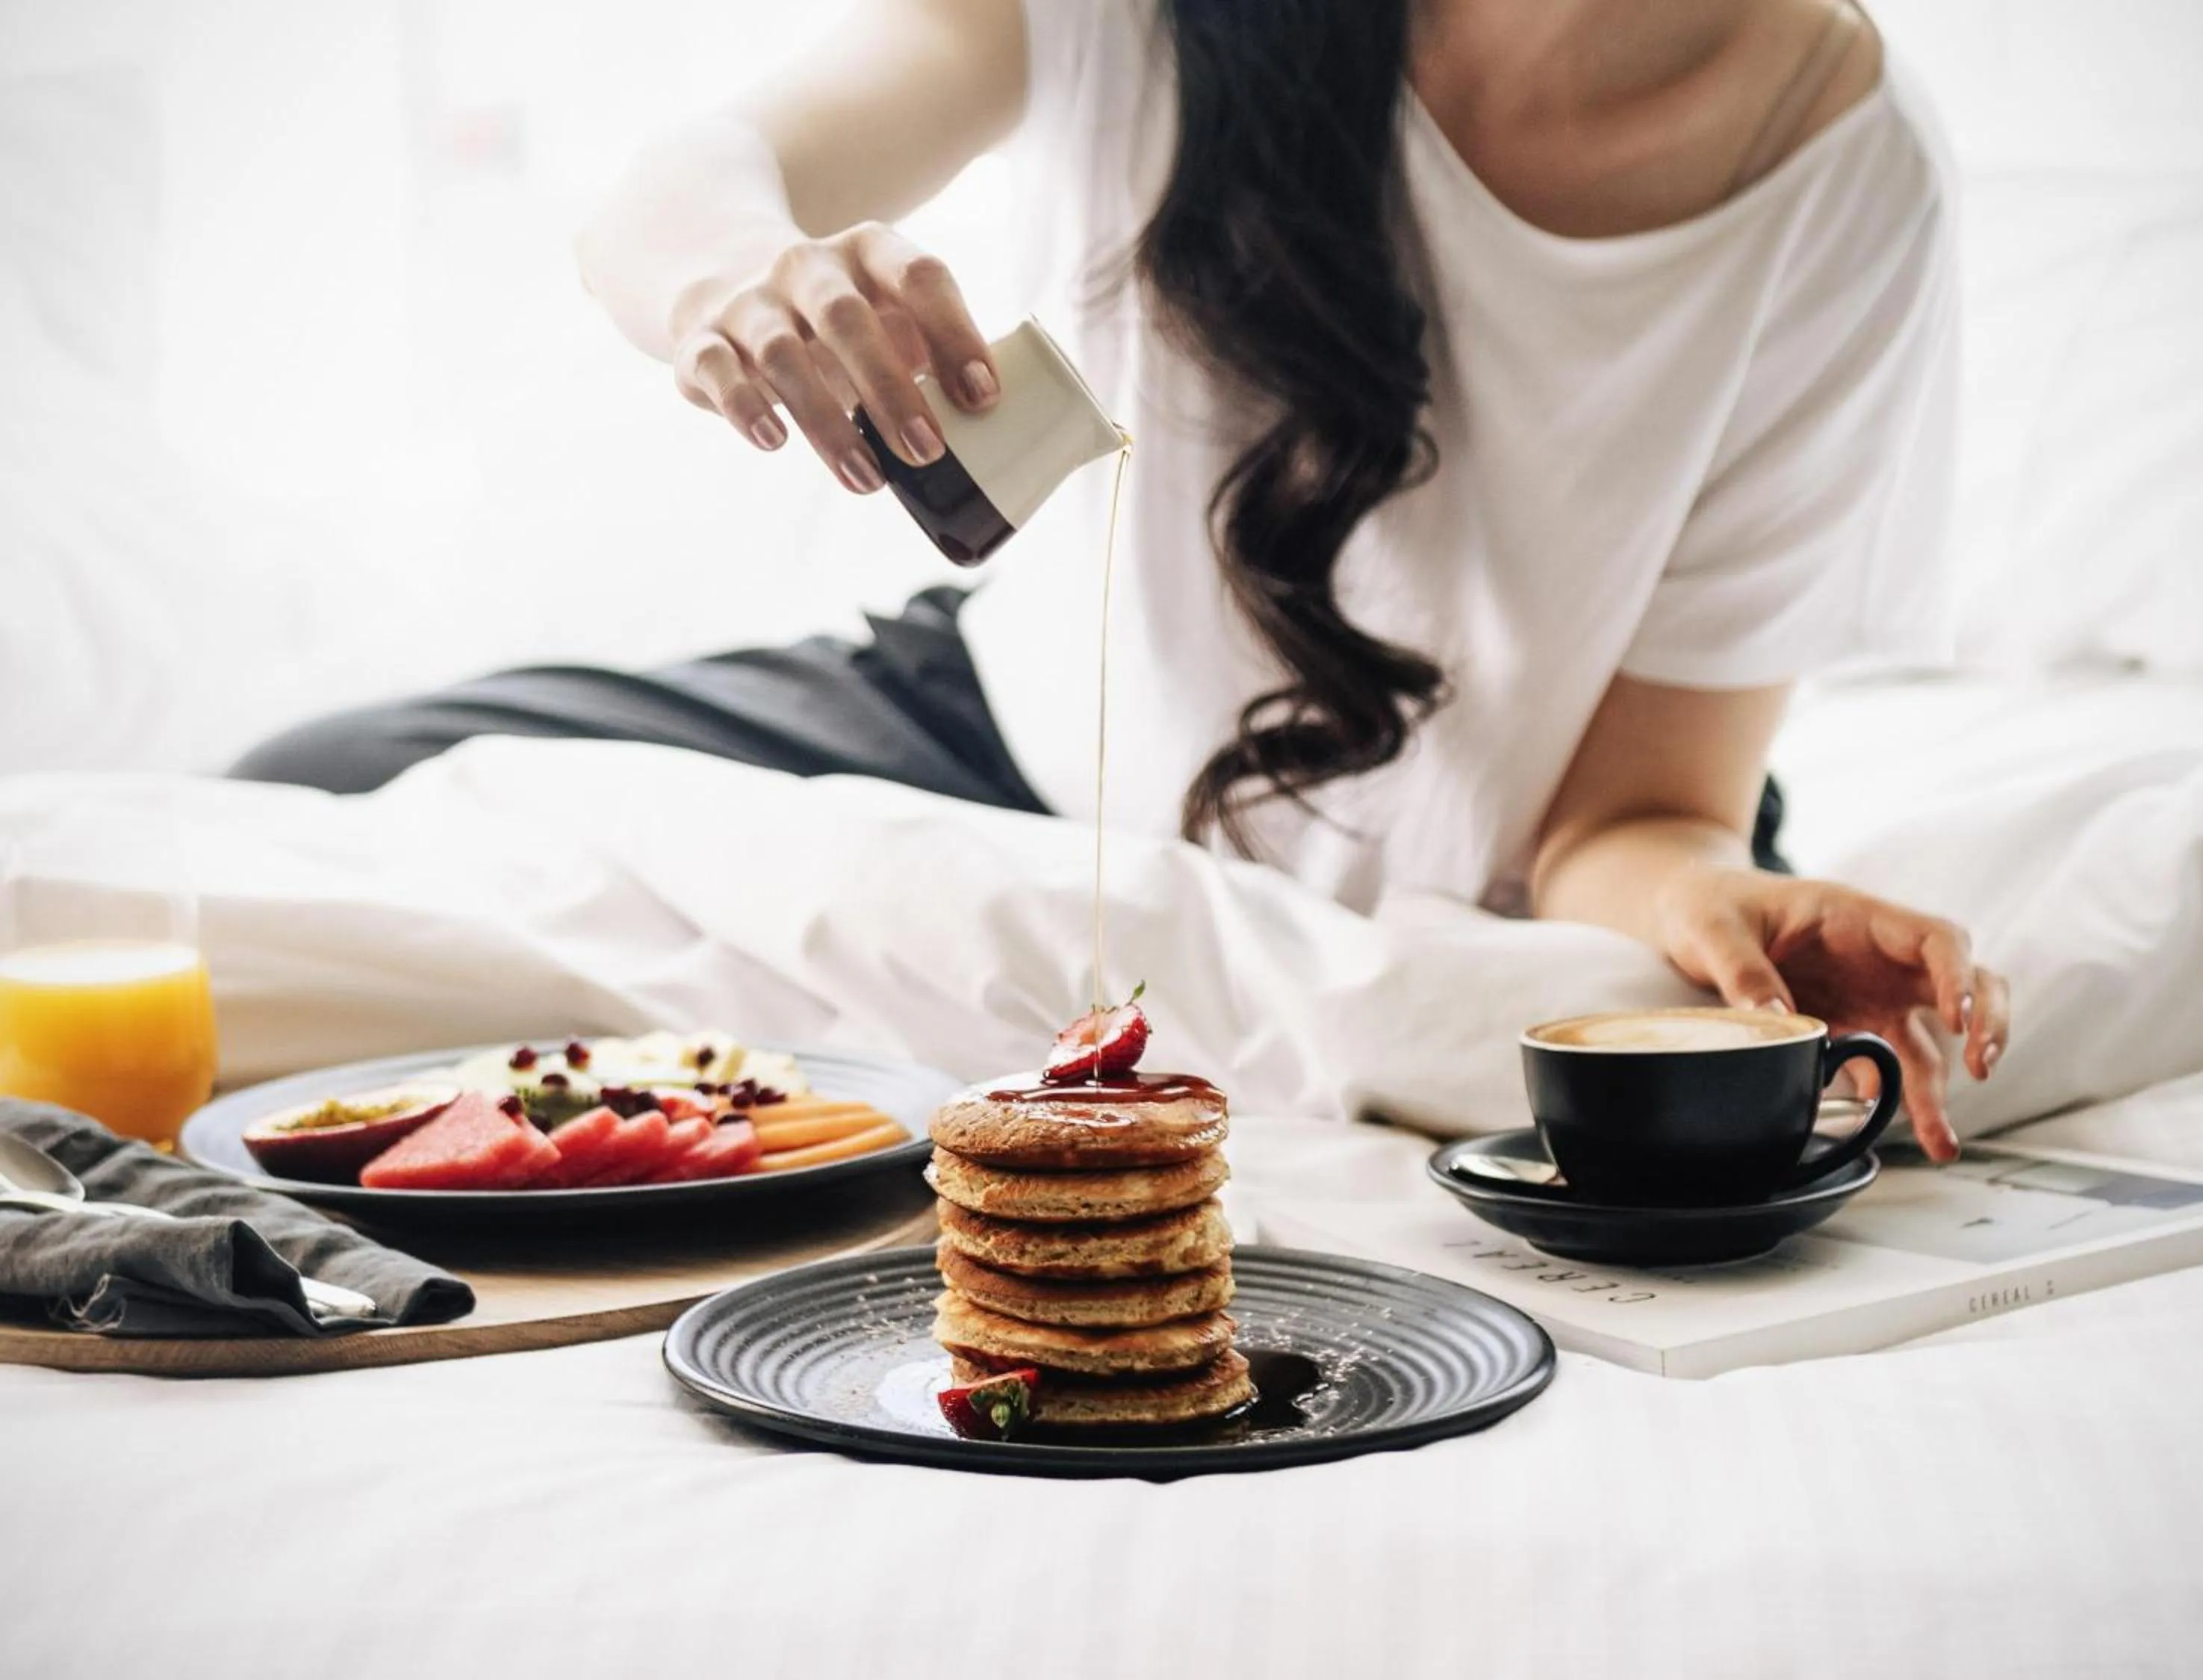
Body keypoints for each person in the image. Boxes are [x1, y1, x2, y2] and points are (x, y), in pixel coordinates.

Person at [232, 0, 2009, 1157]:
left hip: (1485, 874)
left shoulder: (1851, 180)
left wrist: (1711, 897)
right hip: (995, 730)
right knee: (312, 799)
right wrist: (733, 281)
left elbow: (1626, 822)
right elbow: (694, 179)